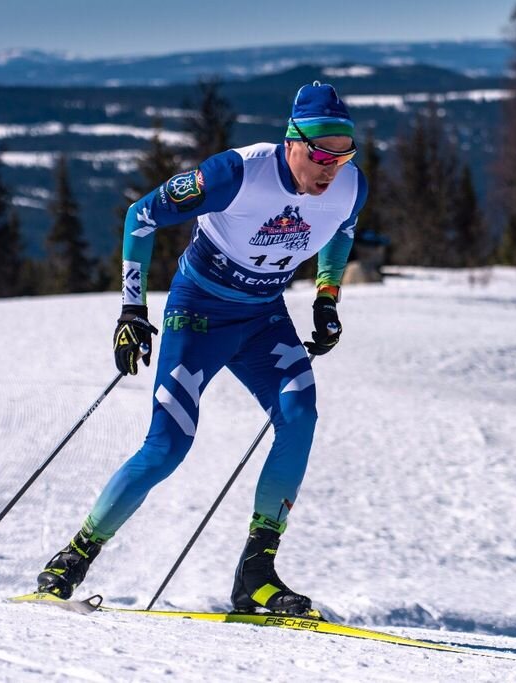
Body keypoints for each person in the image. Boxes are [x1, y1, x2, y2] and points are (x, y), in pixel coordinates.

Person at [35, 81, 368, 616]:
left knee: (300, 413)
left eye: (343, 153)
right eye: (321, 153)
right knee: (167, 447)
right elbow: (140, 216)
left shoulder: (350, 184)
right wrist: (131, 310)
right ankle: (73, 556)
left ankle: (256, 573)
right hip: (199, 315)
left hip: (263, 317)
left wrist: (326, 298)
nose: (332, 167)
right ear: (292, 142)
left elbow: (341, 232)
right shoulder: (237, 173)